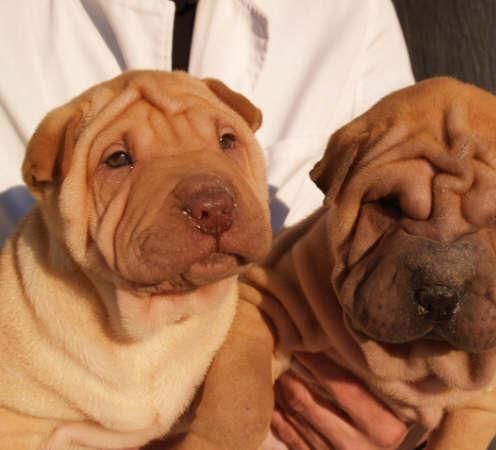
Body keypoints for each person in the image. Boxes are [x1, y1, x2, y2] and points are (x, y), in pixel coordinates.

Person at [0, 1, 414, 448]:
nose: (210, 202)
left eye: (226, 140)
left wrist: (409, 431)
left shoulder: (348, 13)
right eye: (119, 159)